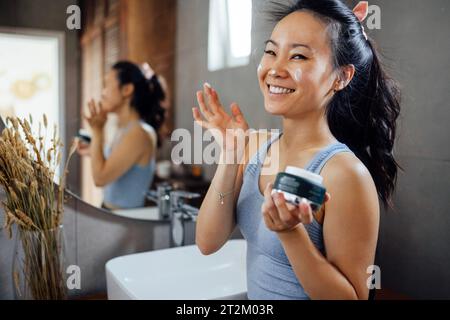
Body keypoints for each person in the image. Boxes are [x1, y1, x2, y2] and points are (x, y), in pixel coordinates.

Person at [193, 0, 400, 300]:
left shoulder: (344, 173)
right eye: (271, 52)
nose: (275, 69)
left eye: (299, 56)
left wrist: (291, 234)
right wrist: (231, 154)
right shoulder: (254, 145)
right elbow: (207, 242)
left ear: (341, 77)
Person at [78, 61, 166, 209]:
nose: (103, 92)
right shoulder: (125, 129)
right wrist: (92, 150)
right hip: (113, 215)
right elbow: (114, 161)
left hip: (124, 220)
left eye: (107, 84)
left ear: (126, 89)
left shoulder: (139, 134)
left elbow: (100, 178)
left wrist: (98, 131)